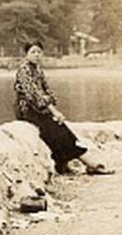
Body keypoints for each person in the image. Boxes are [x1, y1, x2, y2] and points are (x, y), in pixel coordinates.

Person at [14, 41, 113, 175]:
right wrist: (54, 111)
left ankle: (67, 164)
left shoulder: (37, 69)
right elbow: (34, 93)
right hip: (27, 109)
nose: (36, 55)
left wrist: (53, 107)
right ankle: (87, 163)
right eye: (33, 52)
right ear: (26, 54)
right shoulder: (24, 70)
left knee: (61, 129)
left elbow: (47, 89)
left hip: (41, 108)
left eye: (39, 52)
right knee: (53, 129)